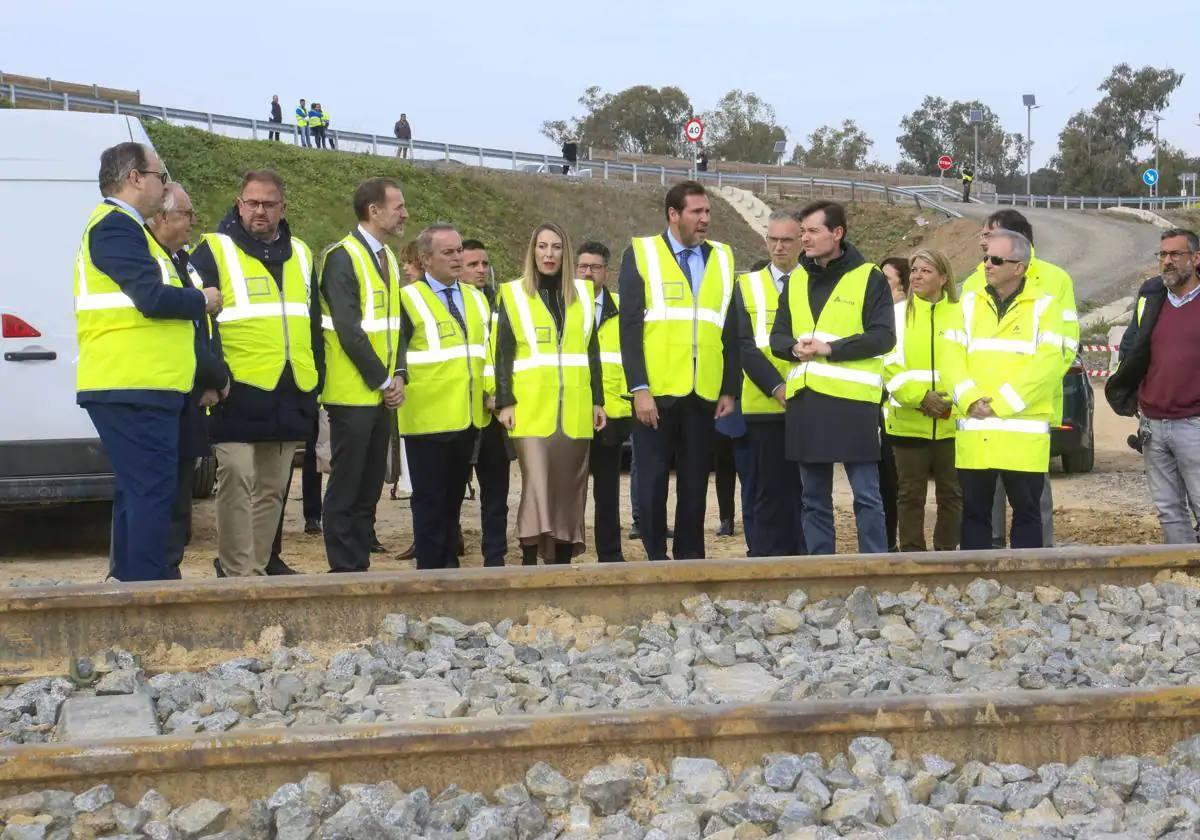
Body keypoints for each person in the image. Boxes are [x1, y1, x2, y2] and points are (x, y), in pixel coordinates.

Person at [74, 142, 222, 581]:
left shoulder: (130, 230)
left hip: (144, 384)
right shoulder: (115, 228)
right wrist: (202, 299)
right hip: (132, 384)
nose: (164, 184)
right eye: (160, 175)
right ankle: (148, 591)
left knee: (139, 493)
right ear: (135, 178)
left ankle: (130, 587)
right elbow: (151, 298)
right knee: (152, 495)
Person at [189, 170, 321, 577]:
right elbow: (196, 324)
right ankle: (236, 572)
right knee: (236, 477)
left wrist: (316, 380)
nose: (259, 210)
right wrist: (210, 377)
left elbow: (313, 322)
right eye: (252, 203)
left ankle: (258, 571)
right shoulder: (214, 250)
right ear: (239, 204)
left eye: (268, 204)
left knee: (273, 488)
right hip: (235, 390)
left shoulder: (302, 253)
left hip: (290, 389)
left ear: (283, 208)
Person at [619, 181, 738, 561]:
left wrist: (729, 388)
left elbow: (730, 327)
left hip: (703, 392)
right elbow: (630, 329)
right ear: (673, 214)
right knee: (652, 484)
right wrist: (639, 388)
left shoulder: (723, 257)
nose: (705, 219)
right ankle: (656, 557)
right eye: (696, 212)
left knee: (694, 485)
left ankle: (690, 559)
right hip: (656, 392)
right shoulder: (641, 253)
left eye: (707, 212)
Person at [768, 200, 895, 555]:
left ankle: (874, 566)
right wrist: (793, 348)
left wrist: (830, 348)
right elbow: (777, 337)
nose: (804, 239)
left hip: (854, 404)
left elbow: (883, 337)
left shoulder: (869, 277)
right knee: (813, 498)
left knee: (867, 496)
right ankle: (820, 567)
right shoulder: (795, 280)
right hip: (807, 403)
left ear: (837, 233)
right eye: (803, 232)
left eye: (812, 231)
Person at [942, 230, 1069, 550]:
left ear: (1019, 267)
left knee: (1027, 514)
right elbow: (949, 357)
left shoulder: (1045, 307)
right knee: (974, 514)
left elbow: (1048, 364)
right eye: (986, 257)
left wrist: (1000, 403)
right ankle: (975, 575)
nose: (987, 264)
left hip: (1021, 436)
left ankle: (1024, 578)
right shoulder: (967, 304)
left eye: (996, 260)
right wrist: (970, 399)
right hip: (976, 432)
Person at [495, 224, 605, 564]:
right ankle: (529, 559)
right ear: (532, 251)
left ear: (565, 252)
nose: (548, 254)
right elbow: (502, 352)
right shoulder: (513, 294)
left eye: (556, 247)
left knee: (569, 487)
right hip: (530, 408)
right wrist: (504, 401)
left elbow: (592, 352)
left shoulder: (583, 294)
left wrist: (597, 400)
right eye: (542, 246)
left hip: (575, 407)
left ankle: (562, 559)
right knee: (537, 484)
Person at [319, 177, 408, 572]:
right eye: (398, 206)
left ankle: (359, 564)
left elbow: (395, 325)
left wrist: (399, 373)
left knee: (370, 485)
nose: (405, 214)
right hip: (352, 394)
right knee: (347, 484)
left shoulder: (387, 258)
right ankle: (343, 567)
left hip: (380, 393)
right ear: (374, 211)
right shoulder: (342, 257)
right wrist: (384, 380)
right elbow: (348, 330)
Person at [145, 183, 230, 577]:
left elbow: (207, 327)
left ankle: (169, 571)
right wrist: (217, 375)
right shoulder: (154, 260)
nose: (193, 222)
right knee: (161, 495)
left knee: (179, 495)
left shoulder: (183, 260)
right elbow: (181, 333)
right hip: (165, 390)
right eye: (186, 214)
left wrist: (212, 376)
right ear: (163, 217)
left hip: (188, 391)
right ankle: (157, 575)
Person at [397, 223, 491, 570]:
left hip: (467, 415)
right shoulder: (407, 299)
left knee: (452, 501)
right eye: (448, 252)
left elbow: (487, 351)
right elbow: (396, 355)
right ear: (425, 259)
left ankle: (448, 569)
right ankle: (431, 574)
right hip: (426, 418)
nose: (457, 258)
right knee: (429, 502)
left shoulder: (476, 298)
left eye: (459, 250)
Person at [1106, 228, 1200, 544]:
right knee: (1169, 510)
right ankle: (1184, 570)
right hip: (1153, 424)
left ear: (1196, 259)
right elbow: (1133, 349)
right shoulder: (1151, 298)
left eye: (1176, 254)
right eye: (1163, 254)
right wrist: (1131, 395)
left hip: (1194, 424)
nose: (1167, 261)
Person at [734, 212, 807, 557]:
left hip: (809, 403)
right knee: (764, 491)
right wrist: (777, 388)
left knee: (806, 492)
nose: (779, 247)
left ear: (801, 242)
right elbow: (744, 346)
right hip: (762, 406)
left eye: (787, 240)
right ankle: (763, 558)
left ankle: (804, 557)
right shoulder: (746, 285)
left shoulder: (817, 284)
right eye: (773, 240)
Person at [882, 250, 963, 551]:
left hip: (952, 423)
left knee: (952, 494)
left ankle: (946, 555)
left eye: (925, 271)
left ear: (943, 278)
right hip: (908, 422)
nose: (916, 276)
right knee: (909, 495)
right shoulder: (895, 315)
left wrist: (950, 401)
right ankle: (912, 555)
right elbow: (888, 363)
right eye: (914, 270)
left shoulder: (963, 315)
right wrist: (920, 398)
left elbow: (971, 363)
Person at [461, 239, 513, 566]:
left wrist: (502, 398)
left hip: (495, 416)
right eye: (473, 265)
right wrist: (481, 397)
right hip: (461, 412)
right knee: (449, 492)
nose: (481, 270)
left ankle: (495, 557)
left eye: (484, 264)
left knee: (496, 495)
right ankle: (449, 550)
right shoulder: (452, 307)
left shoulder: (501, 305)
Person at [579, 241, 630, 562]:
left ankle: (610, 554)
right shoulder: (562, 306)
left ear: (606, 272)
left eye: (595, 267)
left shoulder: (624, 309)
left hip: (611, 412)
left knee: (607, 491)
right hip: (571, 410)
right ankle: (562, 551)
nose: (588, 273)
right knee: (568, 489)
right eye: (582, 266)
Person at [877, 256, 909, 550]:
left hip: (901, 407)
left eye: (887, 278)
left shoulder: (904, 315)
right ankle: (886, 540)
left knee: (898, 483)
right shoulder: (877, 313)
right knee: (882, 481)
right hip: (879, 407)